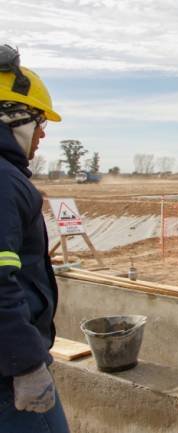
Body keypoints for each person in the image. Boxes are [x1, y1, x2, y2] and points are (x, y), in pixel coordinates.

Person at [0, 45, 70, 432]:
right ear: (13, 116)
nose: (42, 133)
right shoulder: (4, 181)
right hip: (9, 376)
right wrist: (25, 365)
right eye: (39, 121)